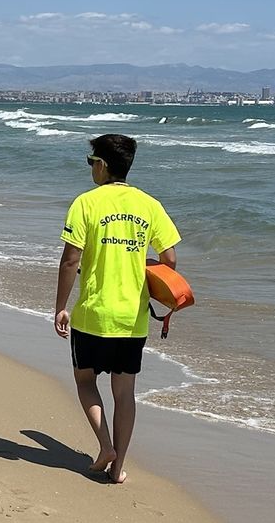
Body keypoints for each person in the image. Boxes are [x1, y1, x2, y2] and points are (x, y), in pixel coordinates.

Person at [54, 134, 181, 485]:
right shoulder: (149, 205)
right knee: (124, 393)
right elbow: (170, 259)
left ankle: (106, 445)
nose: (91, 167)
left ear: (103, 165)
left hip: (93, 313)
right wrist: (137, 261)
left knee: (84, 381)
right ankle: (118, 466)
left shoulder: (86, 203)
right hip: (132, 318)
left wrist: (60, 308)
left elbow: (70, 260)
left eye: (91, 161)